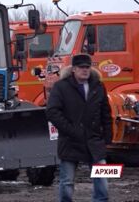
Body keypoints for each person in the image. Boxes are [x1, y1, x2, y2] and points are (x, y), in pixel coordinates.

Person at [46, 54, 112, 202]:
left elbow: (106, 113)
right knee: (67, 182)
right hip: (70, 141)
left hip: (94, 141)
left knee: (102, 179)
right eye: (81, 67)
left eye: (87, 67)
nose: (85, 70)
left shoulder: (98, 86)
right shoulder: (61, 87)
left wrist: (108, 136)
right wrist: (71, 130)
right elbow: (52, 112)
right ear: (74, 69)